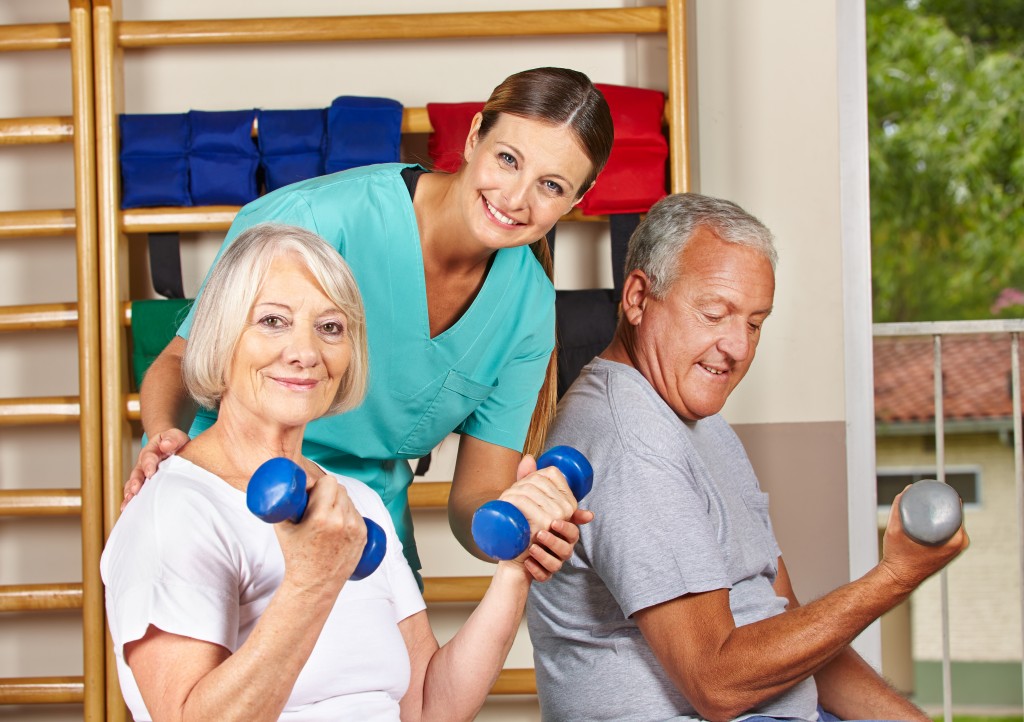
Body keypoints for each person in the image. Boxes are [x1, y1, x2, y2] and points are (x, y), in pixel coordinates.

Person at [124, 66, 612, 577]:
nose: (515, 199)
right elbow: (181, 360)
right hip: (233, 500)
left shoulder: (529, 305)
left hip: (367, 535)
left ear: (579, 198)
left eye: (551, 186)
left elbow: (476, 493)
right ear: (474, 137)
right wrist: (163, 443)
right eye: (507, 159)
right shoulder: (314, 220)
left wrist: (517, 528)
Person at [102, 223, 583, 721]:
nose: (306, 353)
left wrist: (513, 573)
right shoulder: (175, 508)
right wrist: (311, 584)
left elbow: (426, 707)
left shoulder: (353, 501)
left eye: (330, 327)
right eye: (272, 321)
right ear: (221, 339)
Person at [526, 193, 970, 722]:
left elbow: (790, 627)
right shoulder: (629, 439)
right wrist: (895, 576)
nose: (737, 347)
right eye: (715, 314)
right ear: (639, 298)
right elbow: (717, 684)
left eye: (755, 323)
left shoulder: (697, 416)